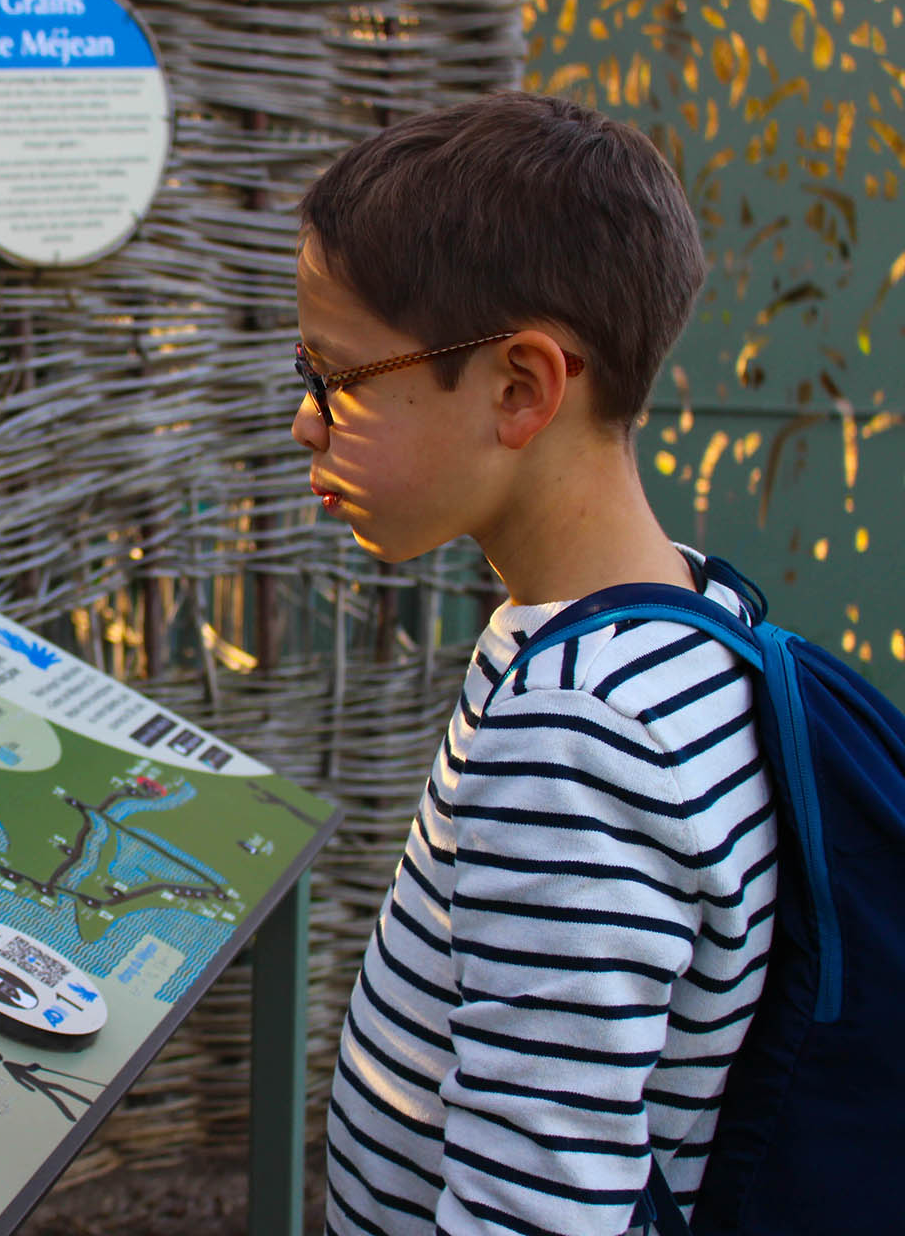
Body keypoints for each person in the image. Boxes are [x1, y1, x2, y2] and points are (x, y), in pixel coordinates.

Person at [291, 91, 777, 1236]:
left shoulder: (582, 735)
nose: (308, 423)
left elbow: (541, 1208)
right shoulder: (692, 619)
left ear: (521, 388)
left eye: (338, 377)